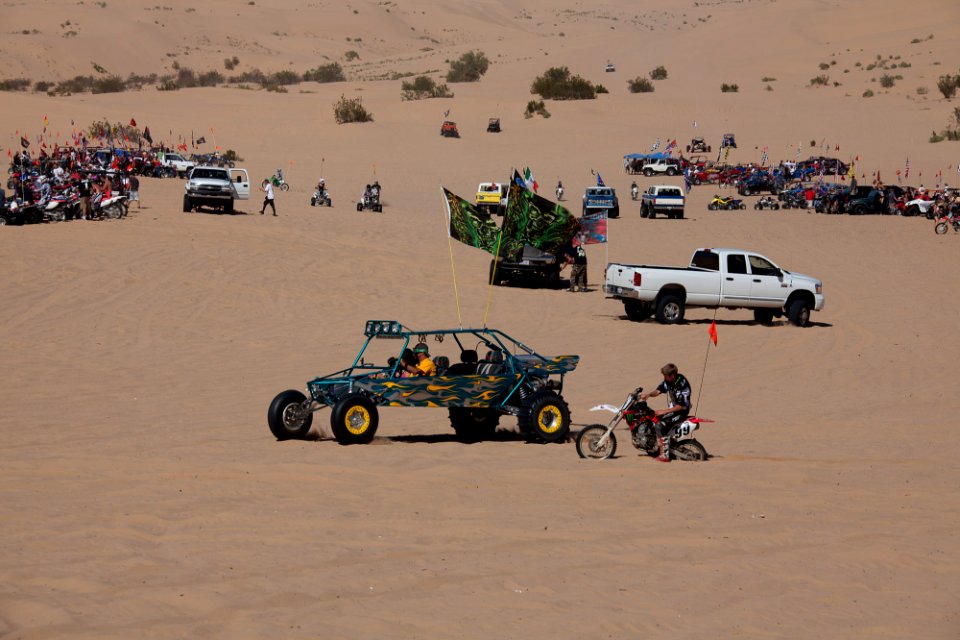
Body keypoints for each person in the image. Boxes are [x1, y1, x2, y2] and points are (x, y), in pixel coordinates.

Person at [639, 363, 692, 462]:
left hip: (681, 410)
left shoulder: (682, 385)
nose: (664, 378)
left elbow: (681, 406)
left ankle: (665, 455)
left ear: (672, 376)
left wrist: (663, 411)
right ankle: (666, 442)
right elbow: (659, 390)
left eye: (665, 376)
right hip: (674, 407)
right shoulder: (668, 381)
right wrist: (648, 395)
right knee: (653, 418)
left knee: (659, 425)